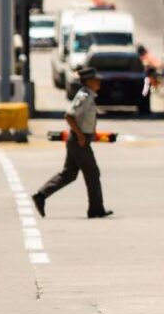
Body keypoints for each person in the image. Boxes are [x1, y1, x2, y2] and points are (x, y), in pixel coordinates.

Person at [32, 67, 113, 219]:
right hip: (78, 141)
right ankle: (96, 209)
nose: (99, 82)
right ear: (88, 81)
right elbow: (69, 116)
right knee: (93, 173)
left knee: (69, 174)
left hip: (79, 140)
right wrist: (81, 136)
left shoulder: (89, 95)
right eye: (96, 79)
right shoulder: (83, 96)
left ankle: (41, 195)